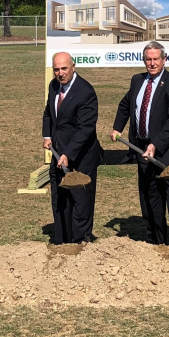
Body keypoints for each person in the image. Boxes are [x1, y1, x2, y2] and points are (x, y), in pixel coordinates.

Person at [111, 42, 169, 246]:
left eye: (156, 59)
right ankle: (155, 243)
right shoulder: (137, 81)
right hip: (143, 149)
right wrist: (117, 127)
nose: (152, 63)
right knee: (150, 198)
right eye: (148, 59)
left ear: (164, 60)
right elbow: (125, 104)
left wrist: (156, 144)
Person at [43, 52, 101, 244]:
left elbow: (85, 129)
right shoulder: (54, 86)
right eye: (56, 69)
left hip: (81, 157)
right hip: (58, 154)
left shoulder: (86, 92)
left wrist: (68, 153)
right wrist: (47, 136)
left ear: (73, 66)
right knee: (60, 200)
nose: (60, 73)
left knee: (80, 203)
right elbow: (48, 113)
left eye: (64, 68)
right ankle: (62, 241)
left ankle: (80, 243)